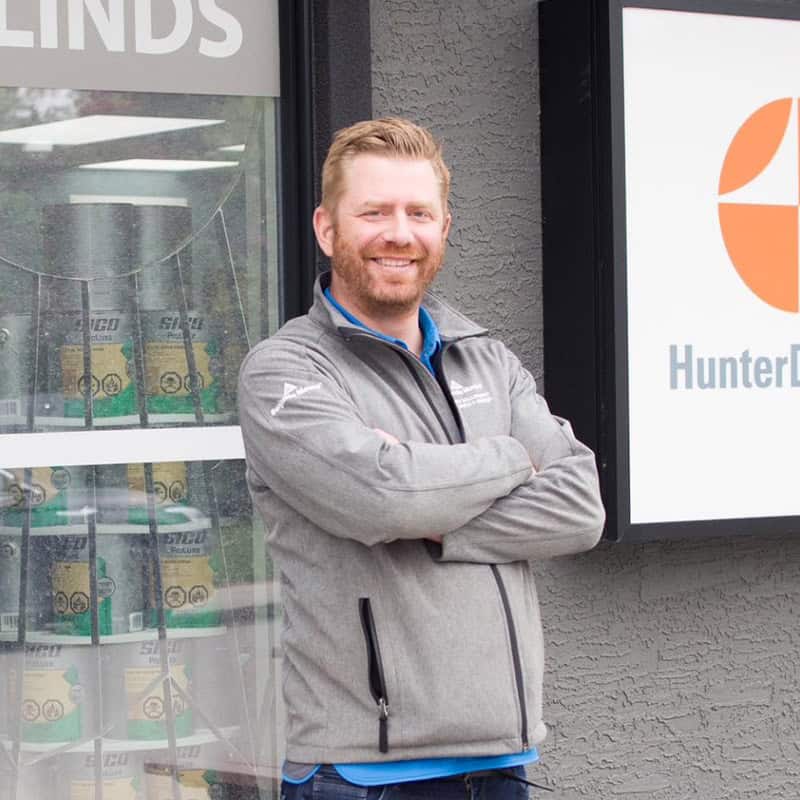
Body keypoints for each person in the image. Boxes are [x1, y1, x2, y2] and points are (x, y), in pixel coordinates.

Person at [238, 117, 605, 799]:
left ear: (444, 228)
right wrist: (509, 456)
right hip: (360, 775)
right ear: (327, 228)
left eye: (418, 213)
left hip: (501, 763)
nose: (398, 233)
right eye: (373, 212)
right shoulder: (288, 370)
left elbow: (580, 507)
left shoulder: (486, 358)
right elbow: (383, 497)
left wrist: (440, 519)